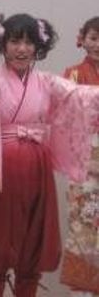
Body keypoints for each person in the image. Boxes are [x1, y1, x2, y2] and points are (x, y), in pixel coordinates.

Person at [0, 13, 99, 297]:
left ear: (38, 46)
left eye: (29, 42)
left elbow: (78, 95)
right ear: (2, 44)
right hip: (1, 169)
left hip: (37, 166)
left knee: (33, 242)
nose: (22, 49)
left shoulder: (46, 82)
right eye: (15, 41)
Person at [60, 16, 99, 296]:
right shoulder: (72, 74)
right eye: (94, 38)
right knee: (83, 226)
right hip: (84, 163)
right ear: (82, 39)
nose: (98, 44)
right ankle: (84, 290)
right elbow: (65, 120)